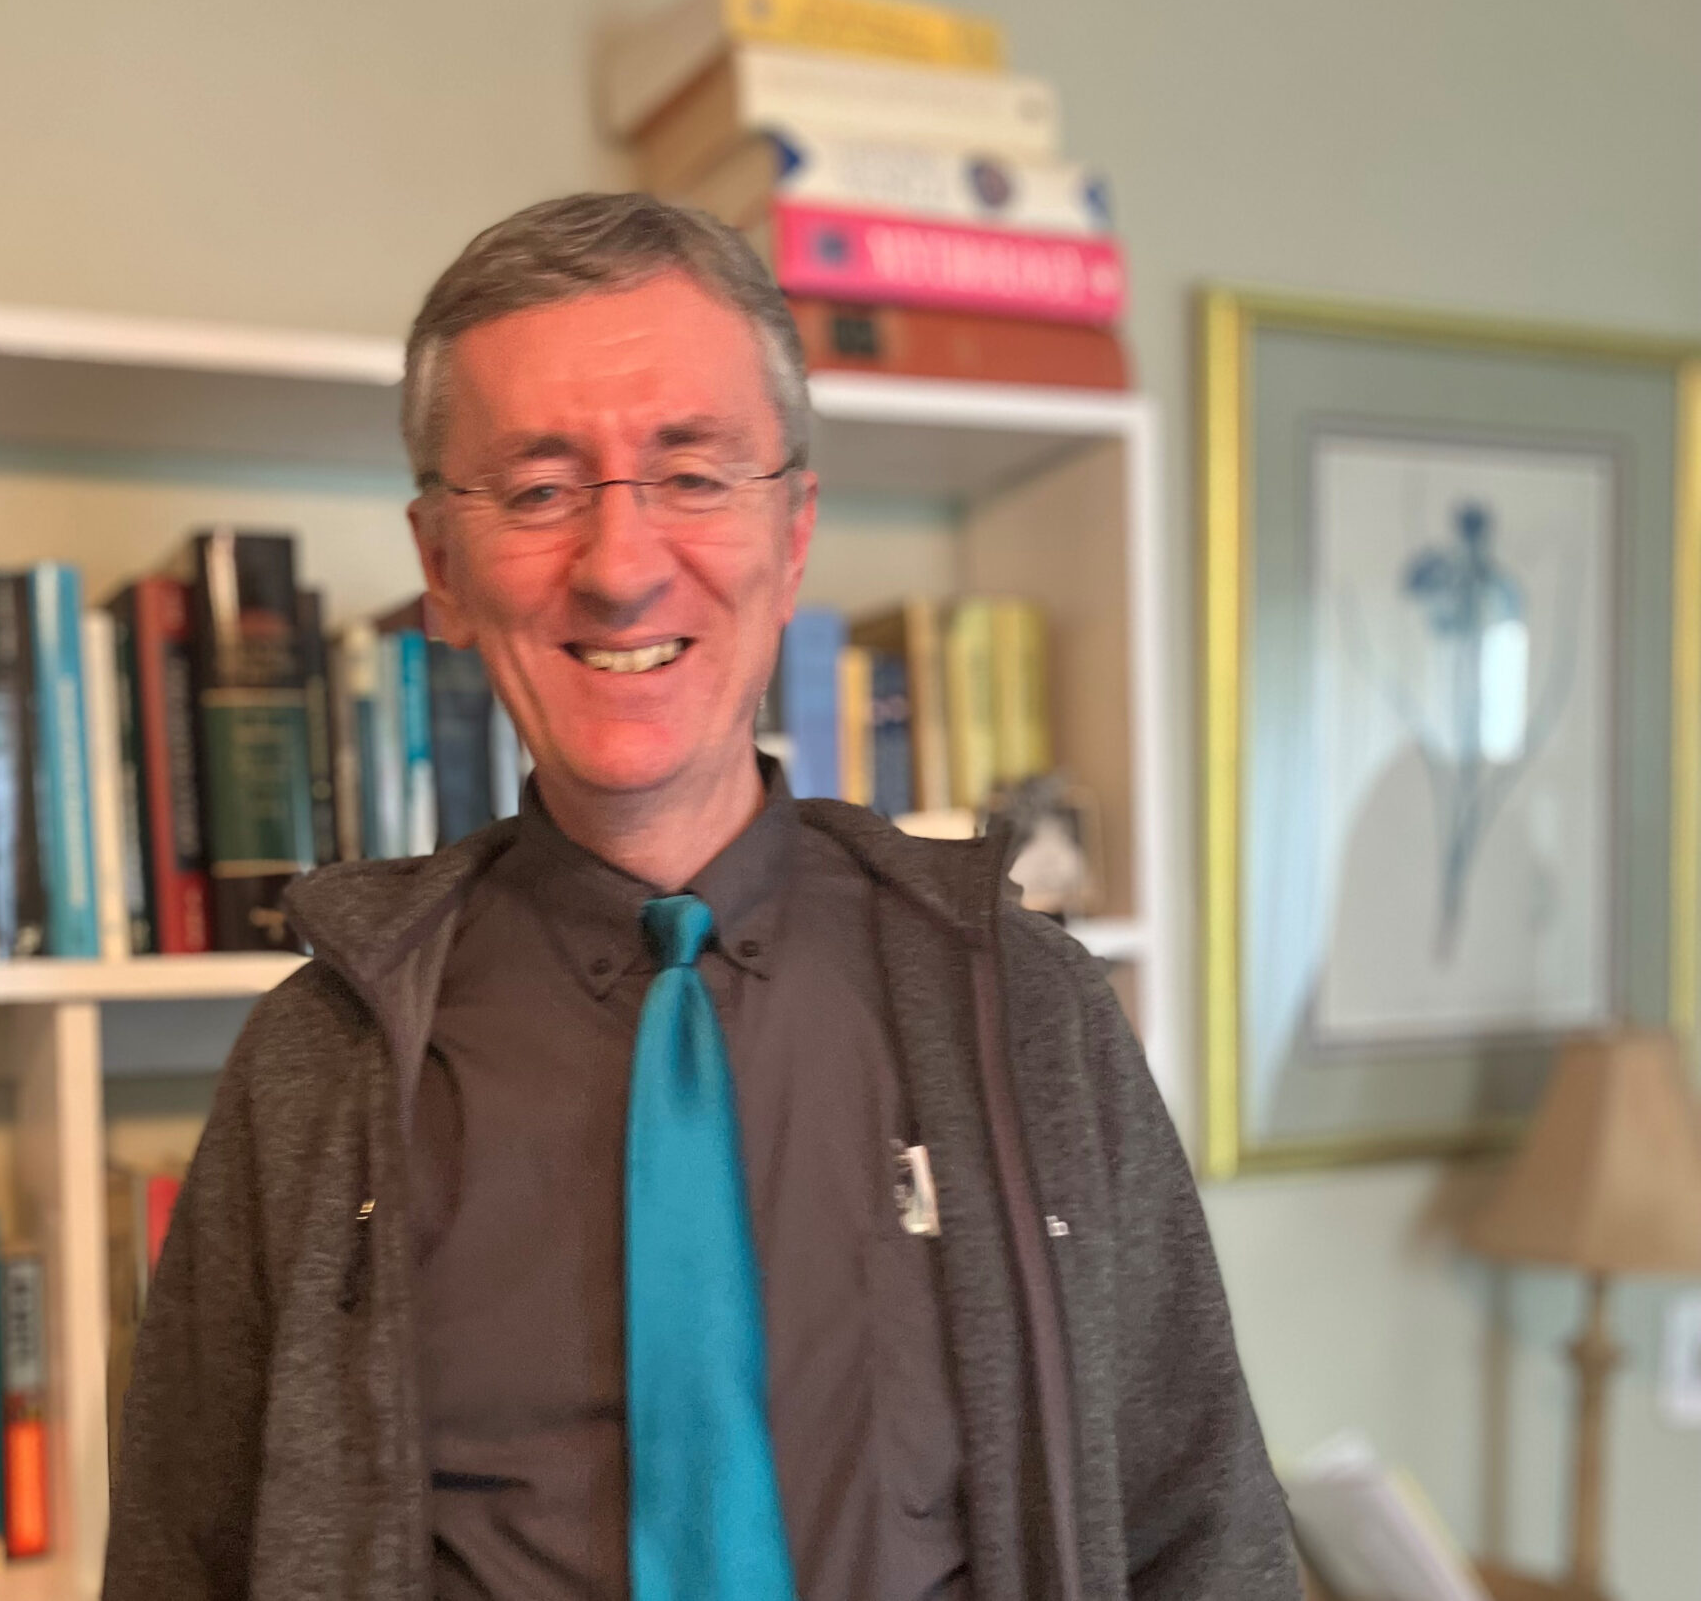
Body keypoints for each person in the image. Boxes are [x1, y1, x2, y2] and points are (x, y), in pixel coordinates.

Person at [105, 193, 1300, 1601]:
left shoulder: (1025, 1013)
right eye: (541, 488)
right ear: (442, 565)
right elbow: (181, 1564)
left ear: (792, 531)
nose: (619, 568)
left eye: (693, 473)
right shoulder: (318, 1070)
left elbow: (1203, 1543)